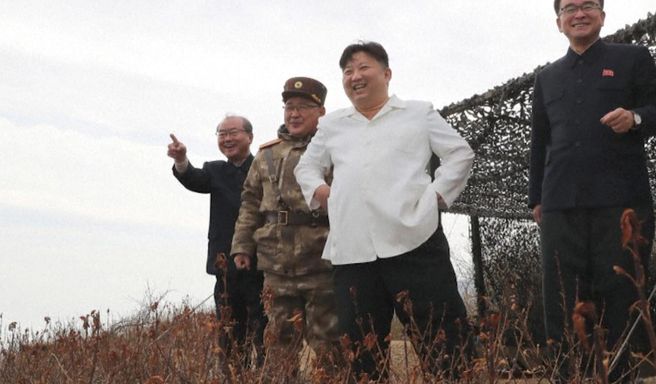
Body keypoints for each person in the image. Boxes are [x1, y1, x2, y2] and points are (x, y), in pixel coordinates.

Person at [295, 41, 475, 381]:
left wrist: (435, 196)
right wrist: (322, 192)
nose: (355, 76)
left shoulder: (418, 113)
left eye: (363, 67)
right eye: (347, 71)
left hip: (414, 241)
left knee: (444, 341)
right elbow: (306, 169)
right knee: (361, 349)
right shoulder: (333, 125)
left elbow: (460, 154)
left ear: (386, 73)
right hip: (353, 251)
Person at [528, 0, 656, 382]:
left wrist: (635, 118)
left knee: (620, 289)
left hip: (621, 202)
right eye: (569, 9)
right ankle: (568, 375)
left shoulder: (632, 59)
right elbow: (540, 142)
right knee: (562, 296)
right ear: (559, 23)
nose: (579, 13)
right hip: (559, 204)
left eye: (588, 5)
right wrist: (535, 198)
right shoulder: (547, 78)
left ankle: (622, 376)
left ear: (602, 16)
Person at [230, 77, 339, 378]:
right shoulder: (266, 155)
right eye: (289, 107)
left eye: (303, 107)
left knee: (332, 349)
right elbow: (250, 203)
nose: (294, 113)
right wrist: (241, 246)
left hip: (322, 266)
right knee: (279, 348)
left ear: (321, 111)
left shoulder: (335, 149)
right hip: (277, 268)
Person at [167, 115, 268, 372]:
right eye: (221, 134)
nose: (227, 139)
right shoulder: (215, 170)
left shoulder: (266, 168)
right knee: (230, 338)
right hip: (225, 271)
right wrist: (180, 159)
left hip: (263, 268)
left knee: (264, 336)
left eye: (233, 133)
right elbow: (193, 178)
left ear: (250, 137)